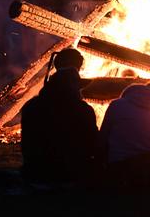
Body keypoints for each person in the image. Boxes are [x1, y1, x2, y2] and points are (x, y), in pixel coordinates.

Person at [21, 48, 98, 186]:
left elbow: (27, 147)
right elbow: (94, 145)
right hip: (70, 174)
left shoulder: (31, 107)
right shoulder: (83, 111)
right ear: (75, 86)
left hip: (36, 172)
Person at [97, 82, 150, 190]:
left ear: (127, 93)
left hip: (118, 171)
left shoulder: (116, 106)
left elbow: (102, 138)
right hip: (149, 173)